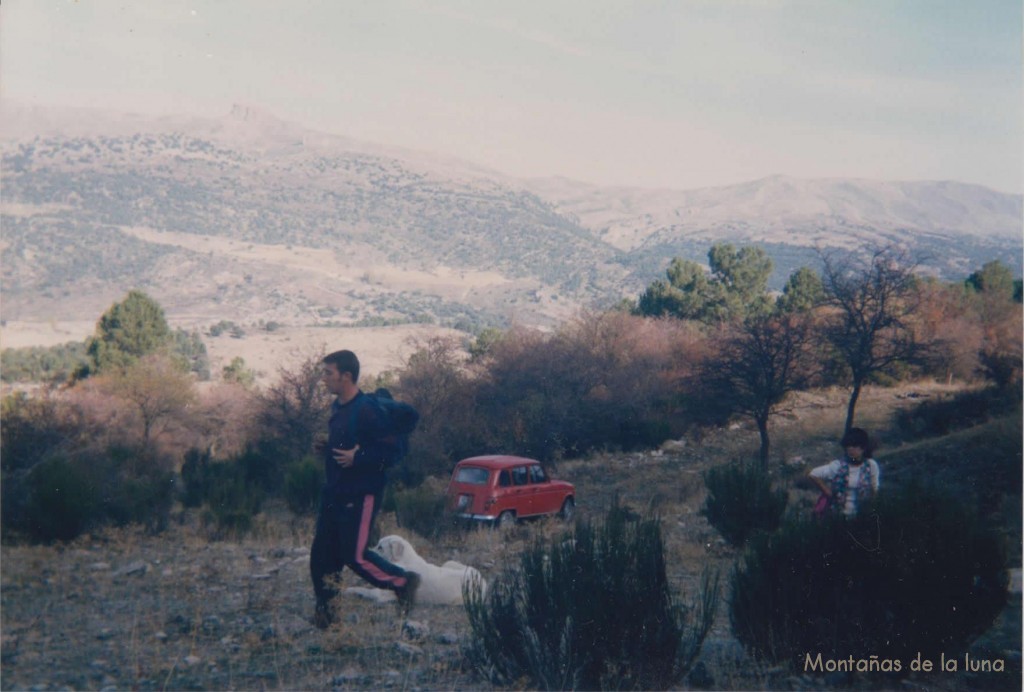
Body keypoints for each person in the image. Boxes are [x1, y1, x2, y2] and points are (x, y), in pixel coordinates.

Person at [310, 349, 420, 629]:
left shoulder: (367, 410)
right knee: (322, 556)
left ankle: (403, 582)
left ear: (346, 376)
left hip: (361, 494)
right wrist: (328, 449)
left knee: (355, 555)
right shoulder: (338, 408)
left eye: (328, 373)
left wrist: (358, 458)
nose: (323, 379)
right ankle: (328, 615)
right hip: (334, 492)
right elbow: (349, 447)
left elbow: (392, 452)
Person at [808, 427, 880, 517]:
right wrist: (828, 492)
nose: (850, 449)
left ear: (863, 448)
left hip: (861, 515)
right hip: (838, 515)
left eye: (854, 446)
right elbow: (813, 474)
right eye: (848, 446)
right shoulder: (838, 466)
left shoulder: (871, 465)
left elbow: (874, 488)